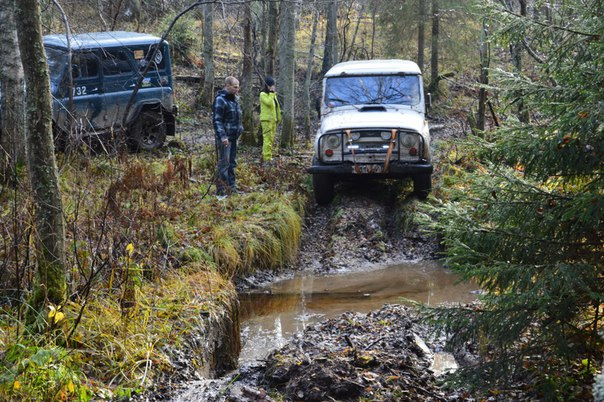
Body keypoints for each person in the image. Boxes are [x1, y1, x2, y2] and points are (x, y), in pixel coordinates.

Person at [213, 76, 243, 198]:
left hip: (234, 137)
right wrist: (222, 137)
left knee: (232, 163)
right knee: (224, 164)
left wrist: (240, 130)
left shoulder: (235, 100)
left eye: (238, 87)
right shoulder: (220, 100)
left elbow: (237, 118)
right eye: (235, 87)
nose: (237, 90)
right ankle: (221, 190)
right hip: (225, 139)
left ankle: (232, 187)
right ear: (227, 86)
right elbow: (217, 121)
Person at [259, 76, 281, 163]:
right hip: (266, 120)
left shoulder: (273, 96)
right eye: (271, 85)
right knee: (267, 139)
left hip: (273, 120)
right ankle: (266, 158)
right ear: (267, 86)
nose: (273, 87)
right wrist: (272, 93)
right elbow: (268, 103)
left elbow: (277, 107)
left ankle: (269, 155)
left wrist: (278, 117)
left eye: (274, 85)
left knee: (271, 139)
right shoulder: (263, 94)